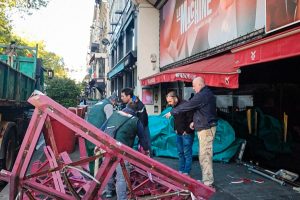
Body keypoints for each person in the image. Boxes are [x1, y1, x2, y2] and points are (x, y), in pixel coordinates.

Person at [165, 77, 218, 188]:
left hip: (206, 129)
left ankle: (208, 183)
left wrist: (173, 112)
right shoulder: (206, 95)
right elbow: (204, 112)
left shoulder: (202, 95)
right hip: (204, 127)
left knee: (205, 155)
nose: (193, 88)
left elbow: (188, 106)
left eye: (194, 86)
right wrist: (195, 122)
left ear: (200, 84)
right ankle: (206, 180)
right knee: (202, 155)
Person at [102, 102, 150, 199]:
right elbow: (143, 138)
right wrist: (147, 150)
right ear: (137, 111)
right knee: (122, 177)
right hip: (122, 151)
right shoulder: (135, 120)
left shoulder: (114, 114)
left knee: (108, 171)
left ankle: (108, 192)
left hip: (107, 147)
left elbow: (102, 129)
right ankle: (121, 198)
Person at [85, 93, 118, 175]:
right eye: (115, 104)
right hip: (98, 134)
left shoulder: (98, 104)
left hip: (88, 132)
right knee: (99, 156)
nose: (114, 105)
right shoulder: (108, 105)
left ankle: (92, 175)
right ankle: (100, 178)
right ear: (113, 101)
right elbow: (111, 122)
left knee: (91, 157)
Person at [166, 91, 194, 175]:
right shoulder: (174, 106)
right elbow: (176, 119)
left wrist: (187, 131)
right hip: (179, 133)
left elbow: (191, 118)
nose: (169, 104)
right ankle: (181, 170)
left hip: (186, 134)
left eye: (170, 101)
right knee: (180, 153)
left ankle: (186, 172)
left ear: (175, 98)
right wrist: (175, 128)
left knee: (187, 153)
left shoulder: (186, 104)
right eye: (168, 102)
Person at [120, 88, 151, 154]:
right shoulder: (127, 103)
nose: (121, 98)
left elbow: (142, 119)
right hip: (135, 127)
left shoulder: (138, 105)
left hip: (142, 126)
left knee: (145, 144)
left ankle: (148, 160)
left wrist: (138, 132)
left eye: (123, 96)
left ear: (128, 96)